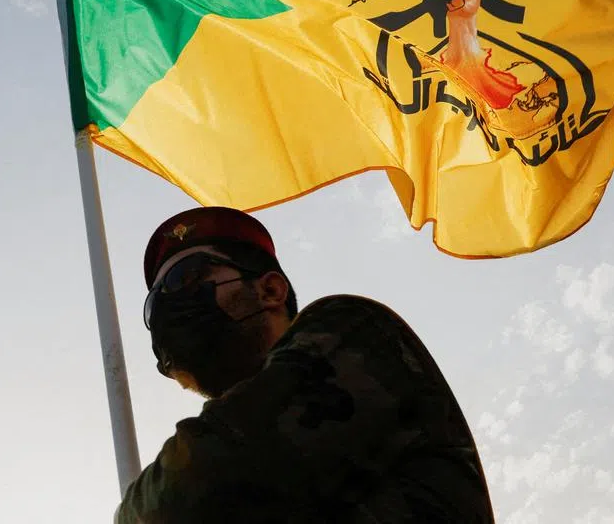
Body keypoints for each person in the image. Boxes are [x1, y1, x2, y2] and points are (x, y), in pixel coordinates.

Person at [114, 206, 495, 523]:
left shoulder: (351, 328)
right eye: (155, 303)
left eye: (187, 278)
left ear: (270, 290)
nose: (169, 305)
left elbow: (193, 487)